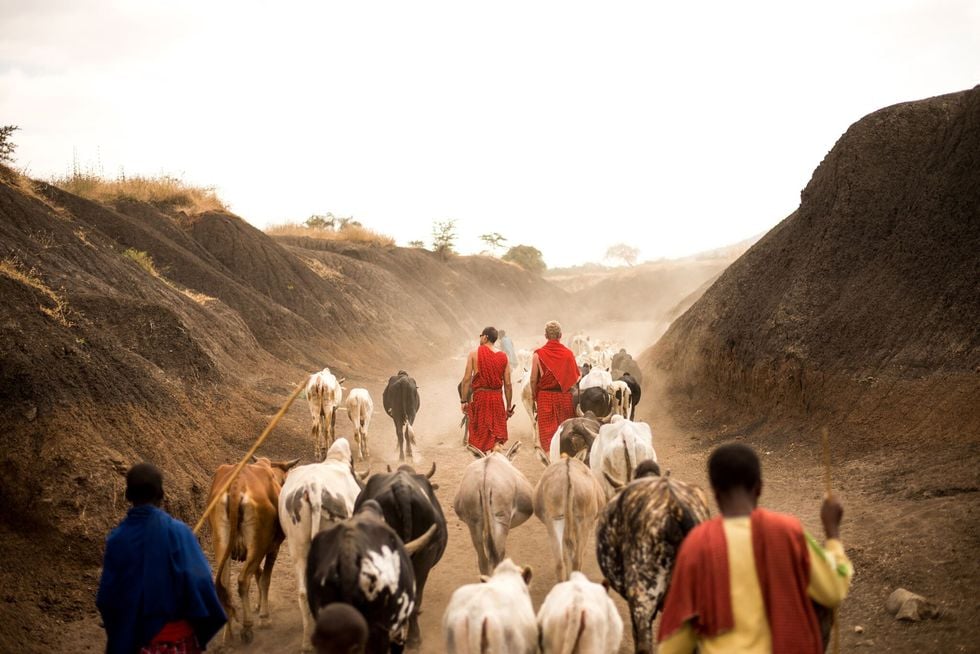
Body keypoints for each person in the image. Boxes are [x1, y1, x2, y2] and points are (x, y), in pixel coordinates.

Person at [658, 443, 853, 654]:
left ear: (715, 493)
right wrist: (832, 532)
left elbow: (673, 643)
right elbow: (833, 590)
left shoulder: (697, 545)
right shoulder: (787, 532)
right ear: (759, 487)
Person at [97, 463, 226, 654]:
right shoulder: (180, 532)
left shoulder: (117, 540)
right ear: (162, 495)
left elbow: (107, 598)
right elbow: (201, 582)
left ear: (128, 496)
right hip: (179, 642)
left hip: (137, 643)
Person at [460, 326, 514, 452]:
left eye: (481, 336)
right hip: (497, 400)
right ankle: (496, 455)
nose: (480, 338)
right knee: (496, 438)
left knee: (480, 439)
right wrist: (509, 406)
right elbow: (508, 384)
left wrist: (463, 401)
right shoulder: (503, 356)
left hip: (481, 400)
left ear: (485, 337)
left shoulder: (474, 354)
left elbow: (467, 379)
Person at [530, 321, 581, 452]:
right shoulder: (568, 354)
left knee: (548, 437)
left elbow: (533, 380)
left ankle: (551, 463)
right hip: (565, 398)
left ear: (545, 335)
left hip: (545, 398)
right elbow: (575, 379)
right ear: (561, 335)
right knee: (566, 434)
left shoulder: (537, 355)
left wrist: (534, 396)